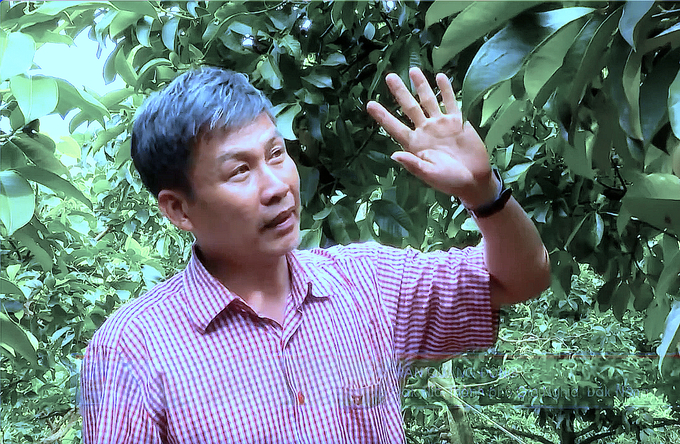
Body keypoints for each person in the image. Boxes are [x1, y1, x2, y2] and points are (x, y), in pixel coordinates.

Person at [80, 65, 550, 443]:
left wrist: (483, 191)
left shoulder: (367, 284)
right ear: (179, 209)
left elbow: (521, 279)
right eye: (239, 171)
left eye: (277, 154)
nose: (277, 186)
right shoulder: (130, 350)